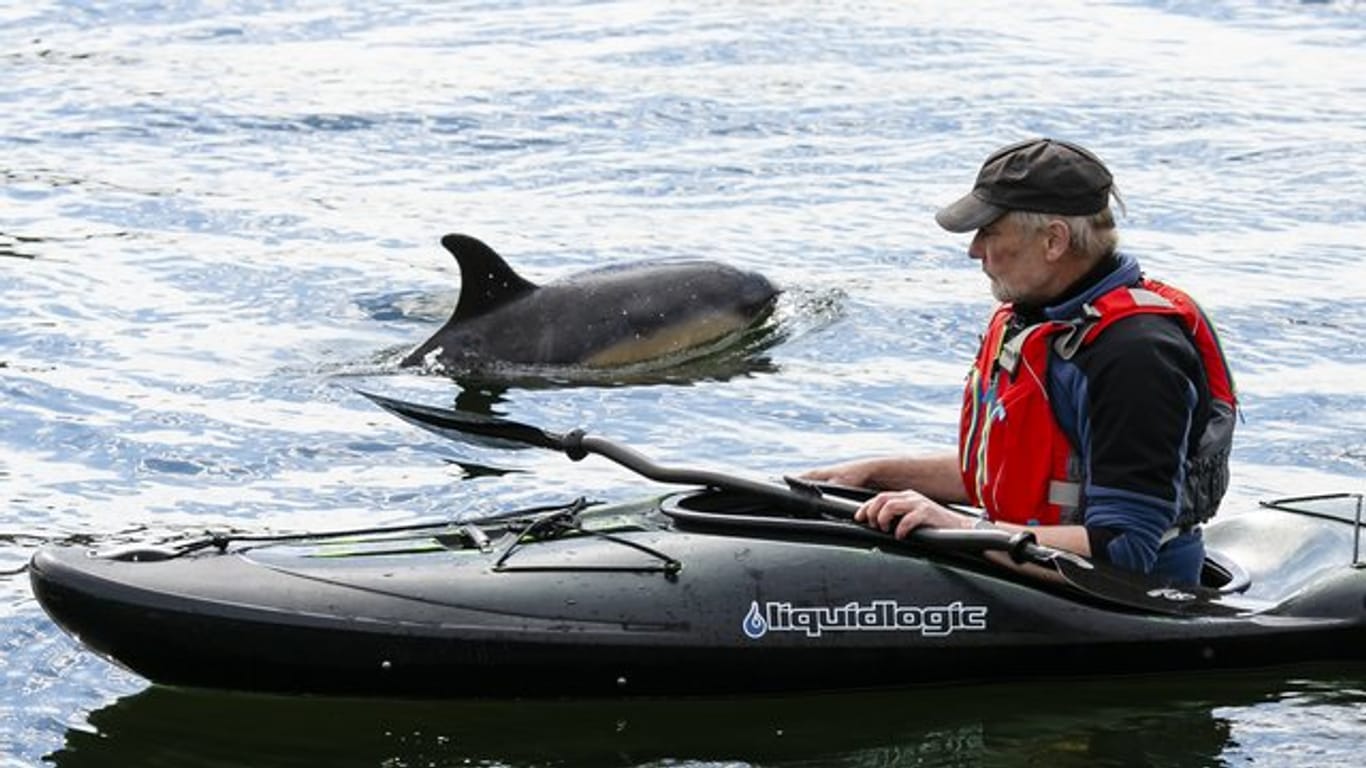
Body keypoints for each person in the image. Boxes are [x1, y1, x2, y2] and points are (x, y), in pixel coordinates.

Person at [806, 138, 1237, 586]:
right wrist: (874, 475)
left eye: (988, 231)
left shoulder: (1135, 356)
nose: (974, 250)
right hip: (1024, 571)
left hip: (1123, 604)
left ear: (1054, 240)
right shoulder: (1046, 318)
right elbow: (1018, 468)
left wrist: (959, 527)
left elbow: (1124, 551)